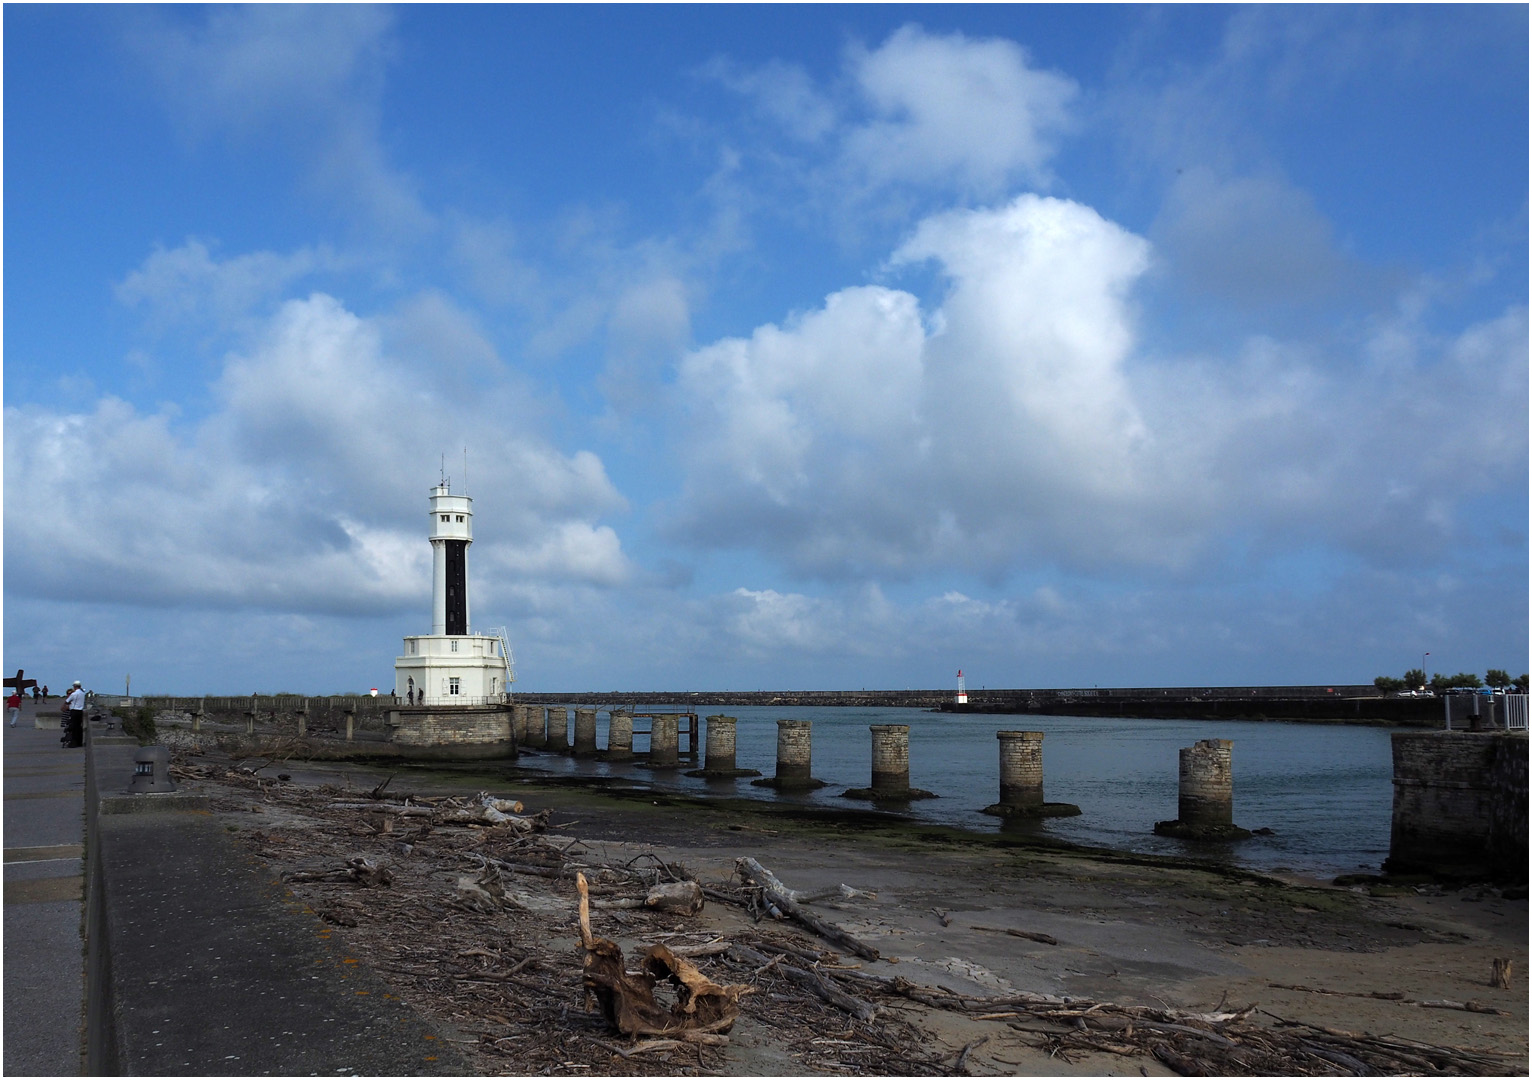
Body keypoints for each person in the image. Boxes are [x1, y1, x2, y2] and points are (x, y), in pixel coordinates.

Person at [64, 681, 86, 748]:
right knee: (79, 727)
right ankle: (79, 742)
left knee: (74, 728)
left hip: (74, 711)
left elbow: (67, 701)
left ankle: (74, 742)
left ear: (75, 686)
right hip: (80, 711)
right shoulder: (82, 693)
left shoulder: (74, 694)